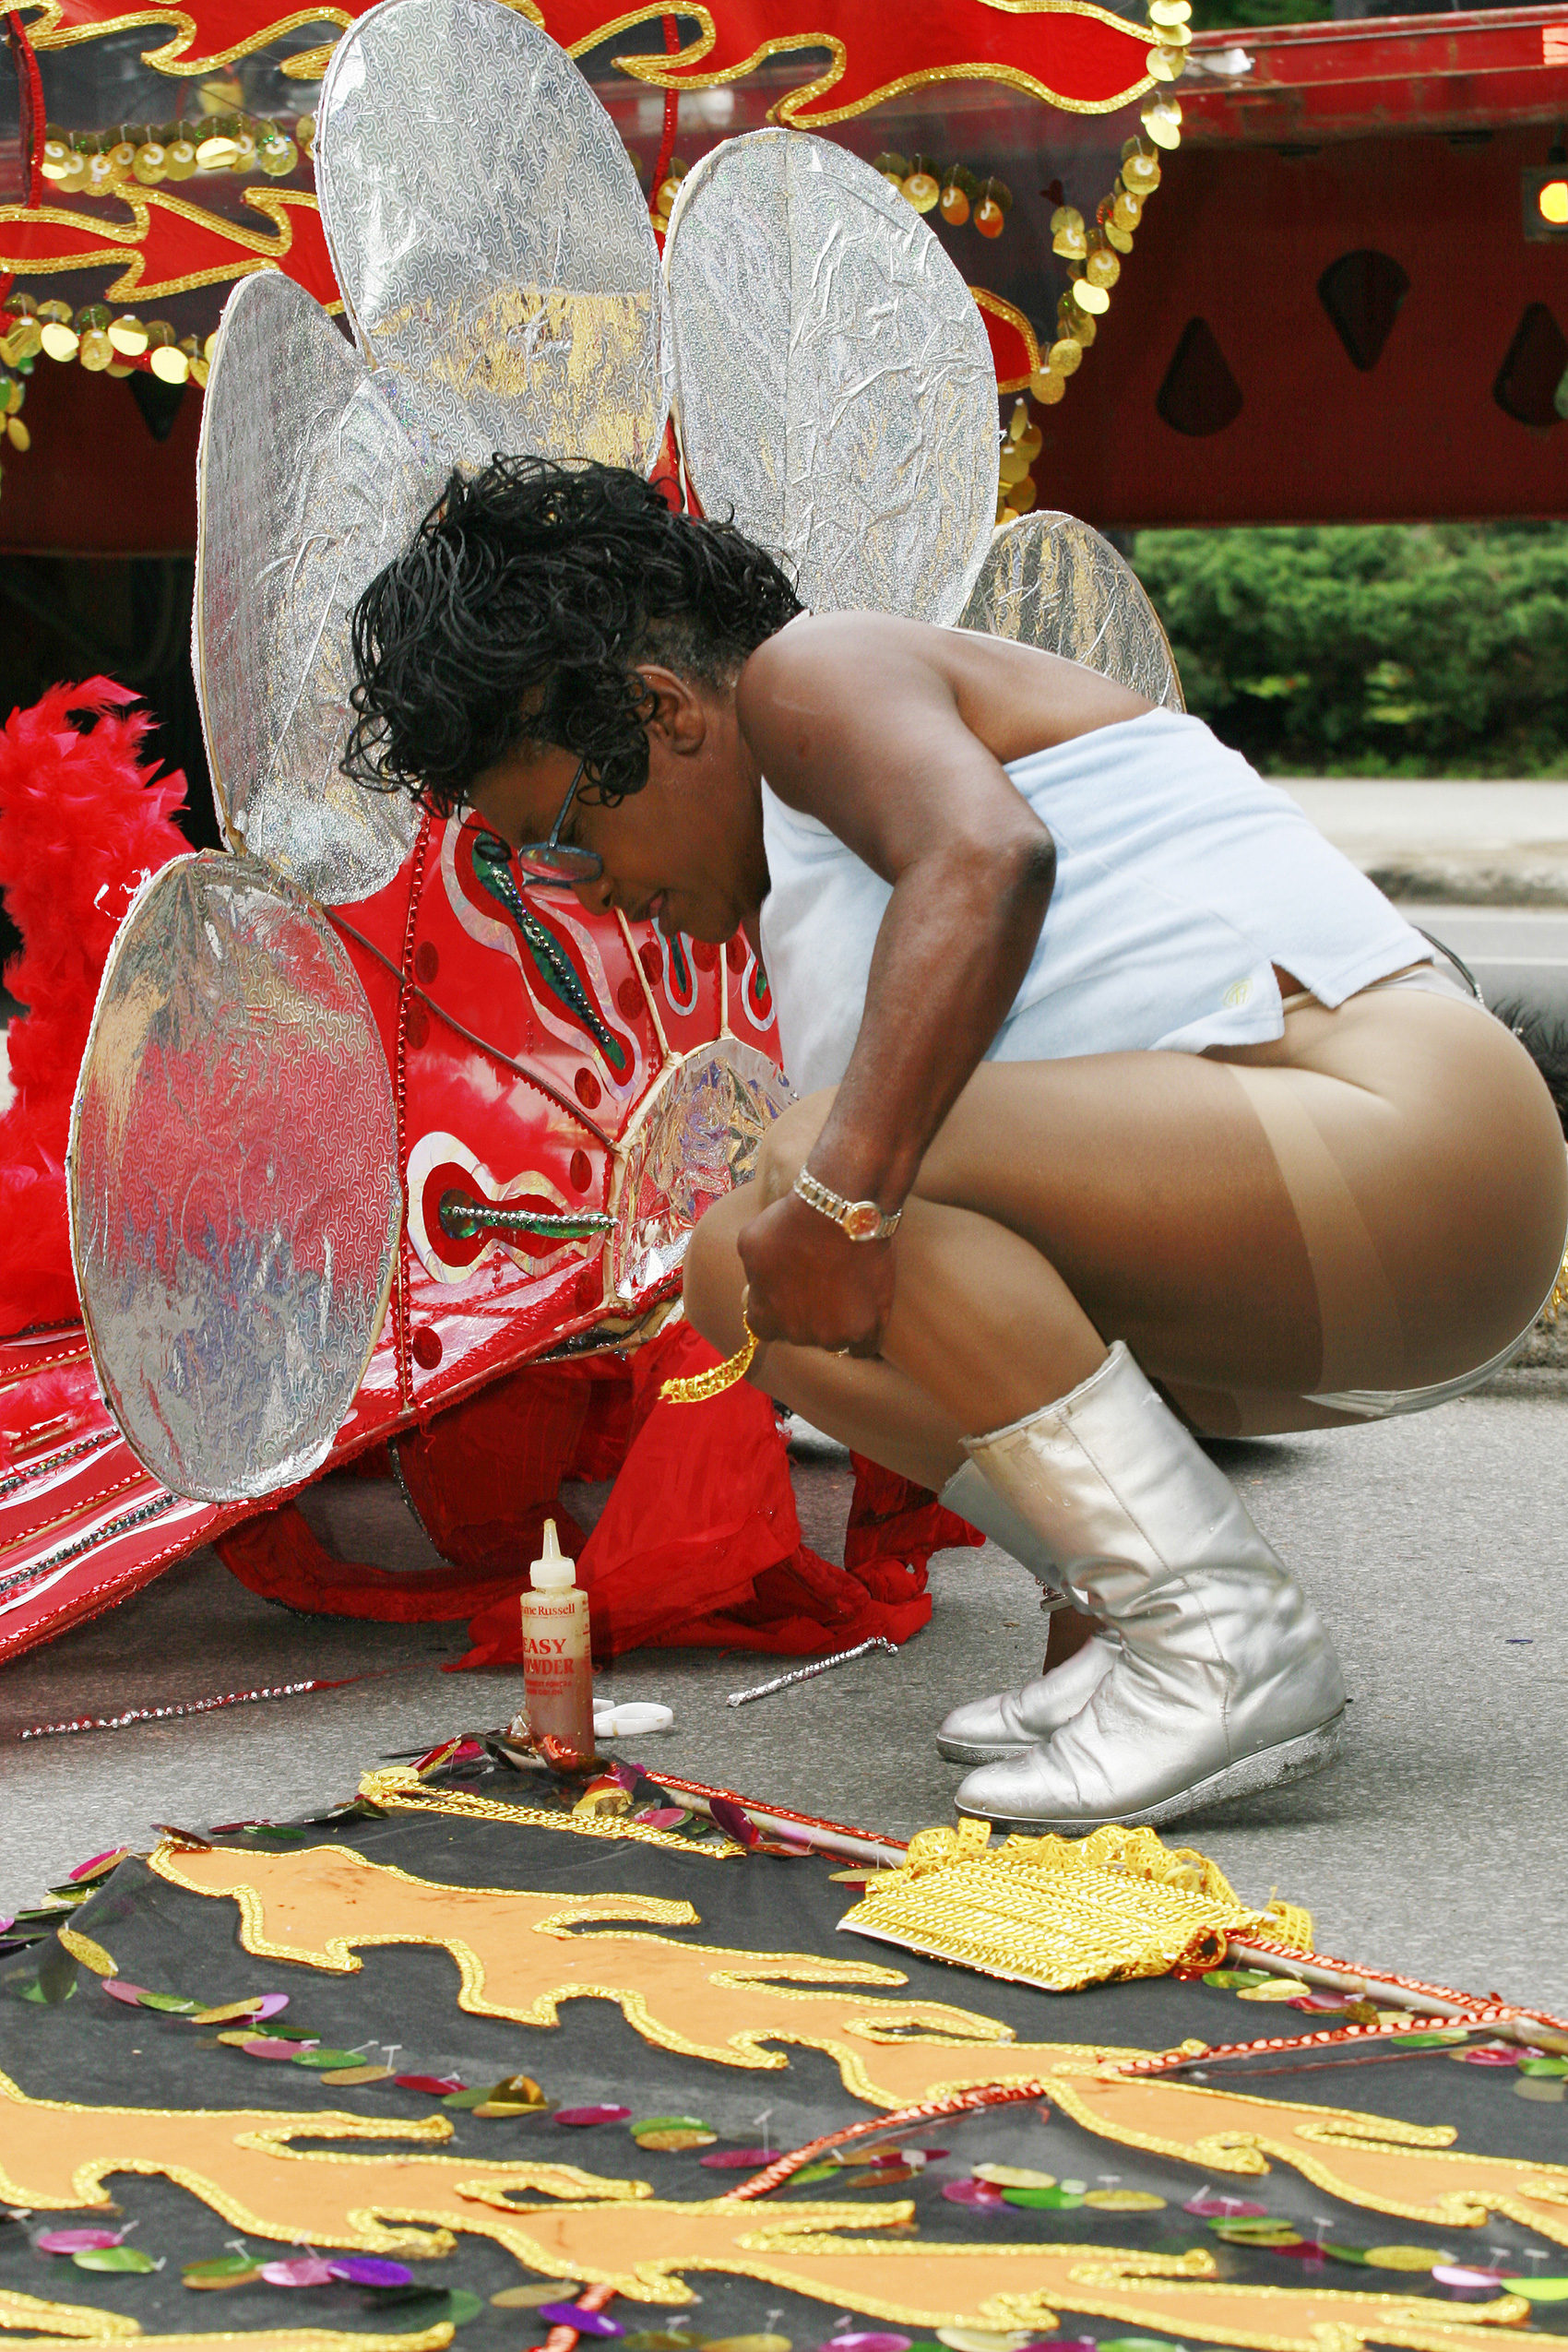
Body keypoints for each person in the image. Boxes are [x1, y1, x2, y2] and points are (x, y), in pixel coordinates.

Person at [346, 454, 1568, 1833]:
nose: (599, 899)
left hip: (1421, 1139)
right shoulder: (820, 882)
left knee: (820, 1172)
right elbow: (1003, 1247)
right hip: (1330, 1249)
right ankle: (1151, 1615)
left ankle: (1224, 1637)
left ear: (663, 713)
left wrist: (839, 1187)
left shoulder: (811, 675)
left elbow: (990, 855)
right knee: (737, 1276)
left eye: (562, 845)